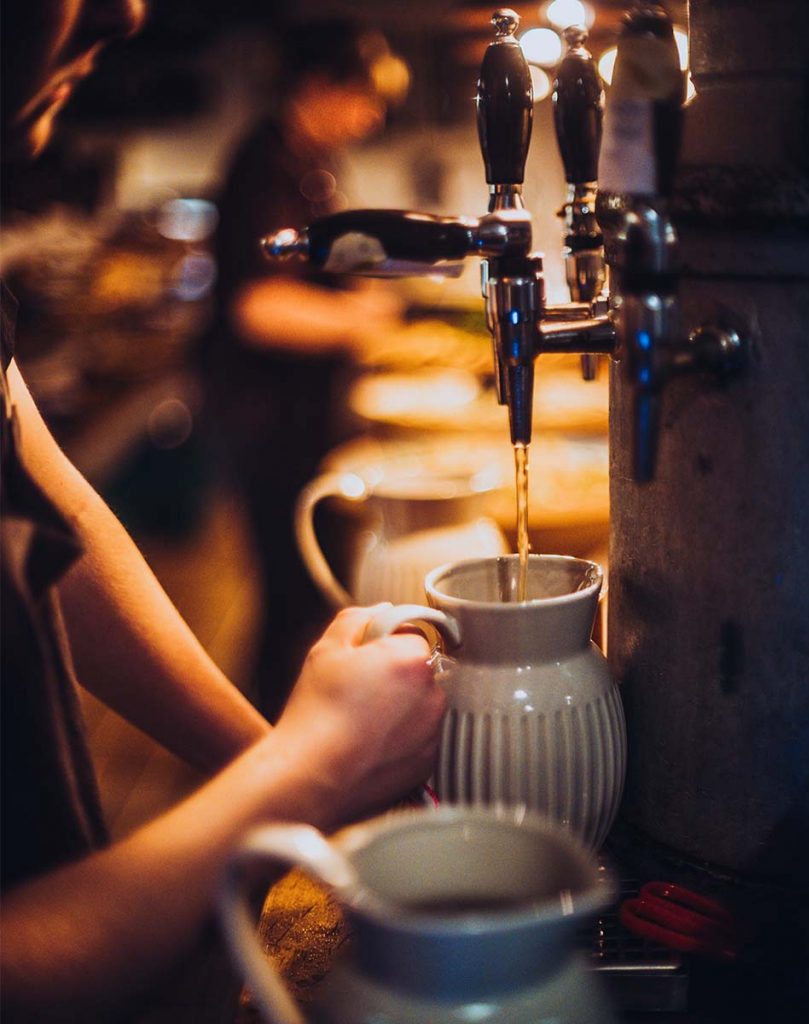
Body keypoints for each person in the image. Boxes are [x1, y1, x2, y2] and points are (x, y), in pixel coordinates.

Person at [0, 2, 445, 1020]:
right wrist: (308, 767)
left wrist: (274, 760)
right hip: (262, 422)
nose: (127, 10)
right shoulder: (263, 163)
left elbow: (51, 513)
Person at [204, 19, 410, 717]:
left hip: (301, 410)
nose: (374, 115)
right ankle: (268, 734)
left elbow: (324, 275)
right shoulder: (263, 163)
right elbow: (258, 308)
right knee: (290, 587)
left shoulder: (310, 164)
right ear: (318, 86)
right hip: (262, 415)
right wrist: (365, 322)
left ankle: (276, 731)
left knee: (301, 585)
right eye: (365, 96)